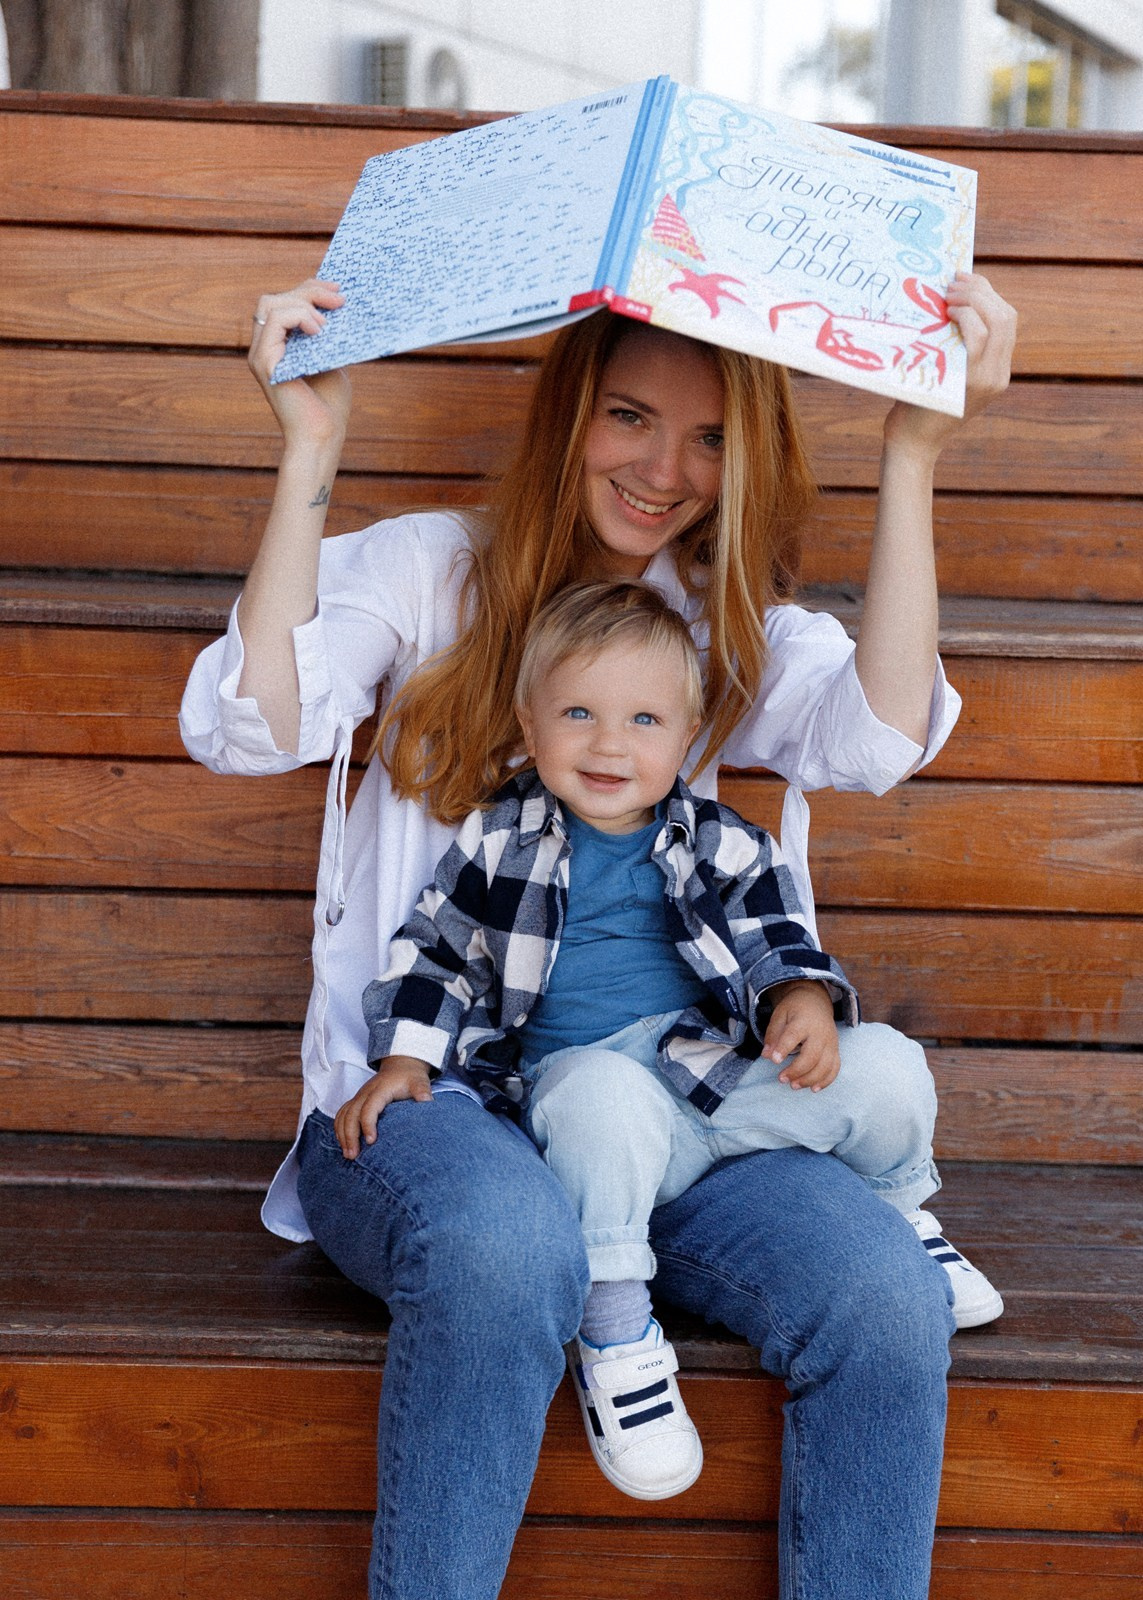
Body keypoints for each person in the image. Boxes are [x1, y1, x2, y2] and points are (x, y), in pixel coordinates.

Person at [180, 269, 1017, 1600]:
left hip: (656, 1107)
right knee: (507, 1247)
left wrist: (914, 452)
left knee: (880, 1290)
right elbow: (251, 726)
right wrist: (310, 450)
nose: (663, 470)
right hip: (427, 1104)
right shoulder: (425, 571)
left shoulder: (713, 621)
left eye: (708, 438)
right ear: (570, 412)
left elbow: (875, 740)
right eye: (630, 417)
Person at [341, 578, 1000, 1503]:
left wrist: (801, 998)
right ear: (528, 725)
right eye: (578, 713)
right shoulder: (497, 844)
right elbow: (435, 955)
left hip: (713, 1081)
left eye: (644, 720)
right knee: (600, 1098)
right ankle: (615, 1335)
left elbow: (777, 935)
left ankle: (901, 1211)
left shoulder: (723, 842)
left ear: (688, 737)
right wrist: (406, 1059)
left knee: (888, 1062)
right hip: (590, 1098)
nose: (609, 744)